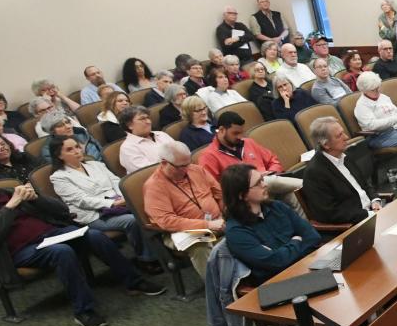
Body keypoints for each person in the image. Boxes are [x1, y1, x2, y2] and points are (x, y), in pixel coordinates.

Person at [0, 165, 165, 326]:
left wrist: (37, 199)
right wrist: (10, 206)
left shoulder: (7, 192)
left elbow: (61, 210)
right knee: (62, 252)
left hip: (51, 234)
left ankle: (134, 282)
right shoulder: (9, 200)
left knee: (93, 235)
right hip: (21, 251)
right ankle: (84, 310)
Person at [48, 136, 160, 273]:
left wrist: (122, 197)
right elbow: (81, 200)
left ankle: (166, 250)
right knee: (132, 220)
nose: (77, 151)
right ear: (59, 155)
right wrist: (113, 203)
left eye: (77, 147)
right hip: (94, 215)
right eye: (70, 149)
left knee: (149, 208)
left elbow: (116, 182)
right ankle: (146, 259)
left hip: (119, 204)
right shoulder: (59, 177)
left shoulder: (96, 165)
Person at [221, 163, 319, 282]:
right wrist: (296, 240)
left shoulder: (277, 207)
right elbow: (275, 263)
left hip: (308, 266)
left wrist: (281, 253)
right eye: (258, 183)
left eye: (262, 179)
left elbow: (313, 237)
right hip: (281, 283)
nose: (265, 184)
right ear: (242, 195)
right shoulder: (236, 231)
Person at [196, 111, 304, 216]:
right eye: (235, 133)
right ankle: (307, 184)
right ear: (221, 130)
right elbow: (214, 190)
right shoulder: (208, 156)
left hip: (267, 189)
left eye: (241, 132)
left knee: (292, 194)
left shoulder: (248, 143)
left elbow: (273, 160)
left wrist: (271, 172)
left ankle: (307, 228)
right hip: (243, 197)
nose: (239, 136)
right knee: (267, 181)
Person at [144, 141, 224, 276]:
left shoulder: (196, 170)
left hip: (217, 221)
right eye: (181, 166)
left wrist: (224, 214)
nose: (187, 169)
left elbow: (219, 193)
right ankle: (218, 291)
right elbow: (167, 221)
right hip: (182, 232)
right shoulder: (154, 186)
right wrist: (207, 224)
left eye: (188, 163)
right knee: (200, 245)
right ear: (164, 163)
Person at [302, 117, 381, 224]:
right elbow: (330, 213)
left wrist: (375, 201)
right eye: (339, 136)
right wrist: (369, 214)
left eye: (343, 132)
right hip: (353, 225)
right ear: (326, 144)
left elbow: (365, 184)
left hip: (373, 212)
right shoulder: (315, 173)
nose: (346, 137)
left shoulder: (344, 156)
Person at [355, 71, 397, 160]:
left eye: (378, 87)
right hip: (380, 136)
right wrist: (396, 118)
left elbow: (395, 113)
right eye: (373, 90)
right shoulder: (361, 106)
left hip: (396, 127)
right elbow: (372, 125)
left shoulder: (382, 97)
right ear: (364, 90)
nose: (377, 91)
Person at [118, 106, 175, 174]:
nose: (149, 122)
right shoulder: (128, 148)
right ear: (129, 125)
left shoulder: (161, 134)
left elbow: (181, 153)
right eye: (142, 119)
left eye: (148, 118)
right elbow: (148, 173)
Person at [38, 111, 103, 163]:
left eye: (68, 122)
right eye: (60, 125)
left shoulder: (82, 134)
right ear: (52, 131)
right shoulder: (48, 151)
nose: (68, 127)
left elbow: (102, 152)